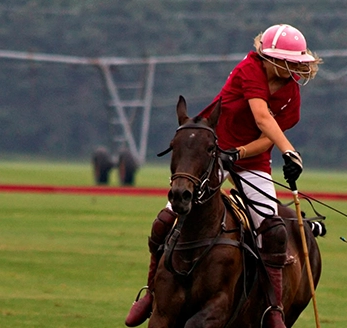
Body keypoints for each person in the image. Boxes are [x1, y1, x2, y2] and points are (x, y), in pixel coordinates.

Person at [124, 24, 320, 328]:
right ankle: (151, 293)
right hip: (211, 151)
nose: (292, 67)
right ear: (268, 57)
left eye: (295, 62)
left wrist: (242, 153)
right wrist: (290, 152)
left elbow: (268, 136)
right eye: (285, 61)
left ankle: (274, 307)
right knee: (165, 221)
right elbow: (261, 116)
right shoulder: (249, 69)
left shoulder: (291, 94)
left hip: (251, 160)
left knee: (274, 230)